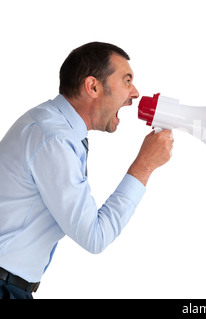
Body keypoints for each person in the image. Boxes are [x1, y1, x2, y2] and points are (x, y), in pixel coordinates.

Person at [0, 42, 174, 299]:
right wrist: (144, 166)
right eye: (127, 80)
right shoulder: (55, 138)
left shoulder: (53, 127)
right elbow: (95, 237)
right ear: (93, 86)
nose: (135, 93)